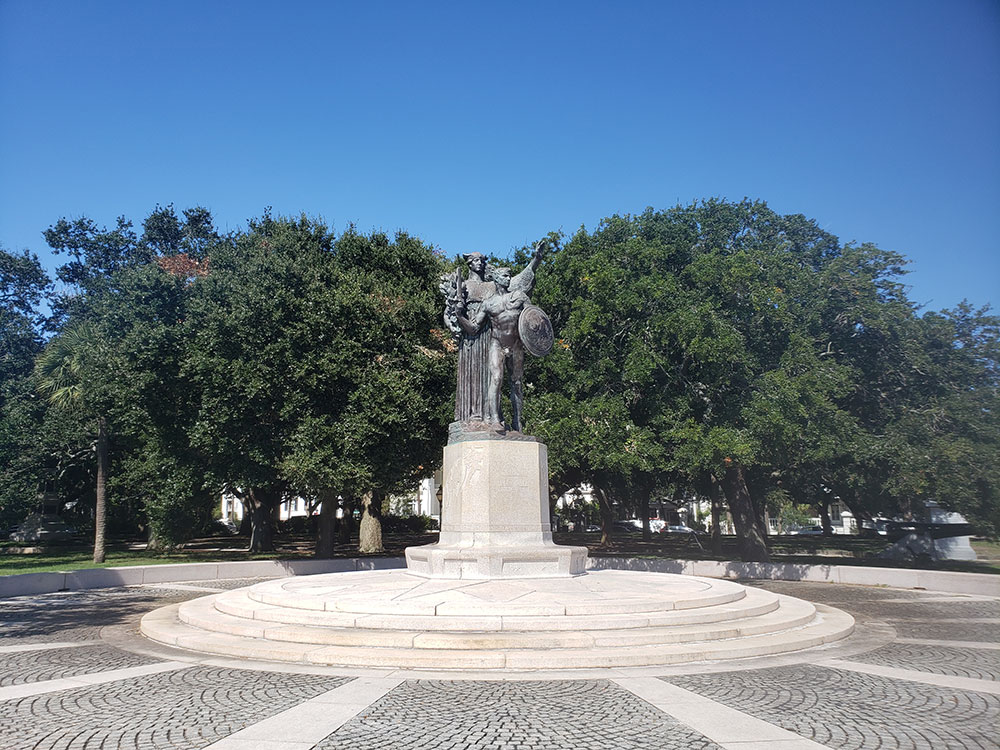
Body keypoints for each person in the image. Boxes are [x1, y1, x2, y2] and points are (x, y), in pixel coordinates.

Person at [457, 246, 541, 431]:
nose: (508, 279)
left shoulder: (519, 297)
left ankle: (517, 421)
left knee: (516, 383)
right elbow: (474, 328)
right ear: (496, 278)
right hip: (497, 344)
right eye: (504, 276)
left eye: (509, 276)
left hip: (516, 344)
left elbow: (533, 317)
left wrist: (536, 259)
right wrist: (459, 315)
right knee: (495, 378)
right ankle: (495, 419)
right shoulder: (488, 303)